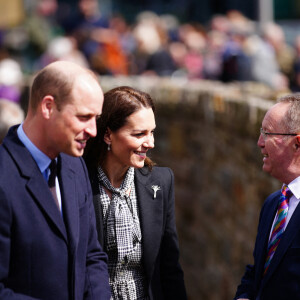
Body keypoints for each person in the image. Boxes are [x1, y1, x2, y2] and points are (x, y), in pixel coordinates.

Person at [0, 61, 111, 299]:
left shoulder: (74, 165)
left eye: (96, 118)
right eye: (84, 117)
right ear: (48, 107)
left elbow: (91, 255)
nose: (93, 130)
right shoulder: (4, 176)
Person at [83, 86, 187, 300]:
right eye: (139, 134)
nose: (150, 143)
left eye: (152, 132)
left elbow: (169, 266)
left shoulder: (161, 181)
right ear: (108, 134)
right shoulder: (78, 180)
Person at [235, 93, 300, 300]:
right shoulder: (274, 203)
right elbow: (259, 273)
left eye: (267, 133)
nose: (259, 142)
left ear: (297, 143)